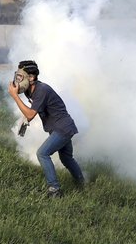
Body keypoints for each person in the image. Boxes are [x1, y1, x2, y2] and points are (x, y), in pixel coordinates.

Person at [8, 60, 85, 198]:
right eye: (17, 76)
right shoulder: (29, 90)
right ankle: (81, 183)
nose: (17, 80)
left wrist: (14, 96)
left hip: (63, 128)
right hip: (62, 126)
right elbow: (32, 111)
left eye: (21, 77)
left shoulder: (41, 90)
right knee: (67, 158)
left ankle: (54, 189)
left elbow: (31, 114)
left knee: (42, 154)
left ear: (31, 78)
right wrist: (24, 122)